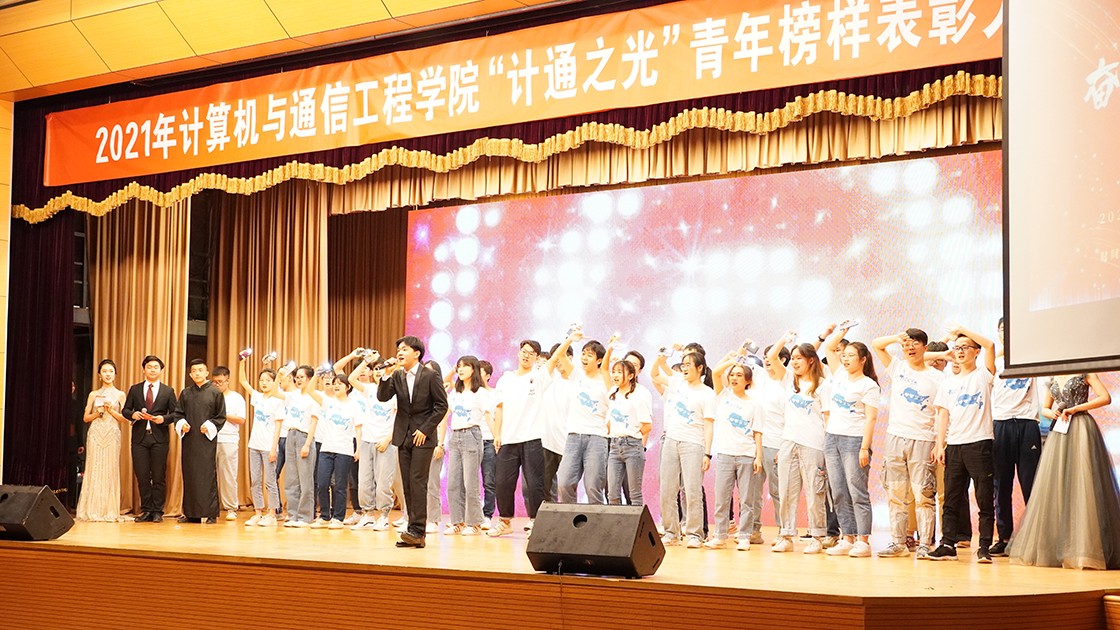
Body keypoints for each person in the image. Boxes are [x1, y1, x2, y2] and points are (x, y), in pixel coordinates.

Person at [1009, 373, 1120, 569]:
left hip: (1080, 426)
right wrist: (1050, 413)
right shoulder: (1052, 378)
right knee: (1057, 483)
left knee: (1083, 479)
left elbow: (1105, 397)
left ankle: (1085, 549)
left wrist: (1077, 408)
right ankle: (1056, 547)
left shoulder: (1085, 373)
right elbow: (1045, 407)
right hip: (1059, 429)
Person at [871, 329, 944, 559]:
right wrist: (896, 338)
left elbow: (942, 412)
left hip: (923, 440)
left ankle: (925, 544)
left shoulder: (938, 378)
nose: (910, 348)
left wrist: (938, 443)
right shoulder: (898, 367)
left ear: (925, 347)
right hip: (894, 438)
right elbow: (876, 344)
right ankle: (898, 542)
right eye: (907, 345)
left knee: (923, 495)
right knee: (895, 493)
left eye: (915, 344)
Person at [928, 326, 997, 562]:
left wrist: (962, 330)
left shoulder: (983, 375)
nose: (959, 351)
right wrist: (940, 445)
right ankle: (948, 544)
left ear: (976, 352)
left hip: (979, 443)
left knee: (984, 498)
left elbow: (990, 345)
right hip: (955, 445)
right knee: (951, 498)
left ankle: (984, 546)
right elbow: (943, 415)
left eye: (965, 347)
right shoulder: (947, 383)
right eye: (956, 348)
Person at [377, 336, 449, 548]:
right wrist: (385, 375)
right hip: (403, 436)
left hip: (422, 437)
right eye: (398, 349)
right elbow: (383, 397)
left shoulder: (430, 375)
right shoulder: (397, 375)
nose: (399, 352)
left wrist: (425, 429)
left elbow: (441, 406)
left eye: (404, 349)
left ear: (416, 353)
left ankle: (418, 531)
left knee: (417, 481)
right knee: (407, 483)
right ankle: (412, 529)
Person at [766, 333, 830, 554]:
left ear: (811, 360)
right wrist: (784, 339)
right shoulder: (789, 380)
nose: (794, 362)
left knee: (814, 493)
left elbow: (828, 418)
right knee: (786, 491)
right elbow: (772, 356)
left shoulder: (823, 385)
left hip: (813, 444)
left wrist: (828, 448)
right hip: (788, 442)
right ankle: (786, 535)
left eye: (798, 358)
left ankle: (817, 537)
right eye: (792, 358)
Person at [821, 328, 880, 558]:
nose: (845, 359)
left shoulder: (869, 385)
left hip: (854, 441)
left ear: (863, 359)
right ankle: (847, 537)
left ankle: (863, 541)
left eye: (851, 355)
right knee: (838, 491)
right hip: (832, 438)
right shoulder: (838, 375)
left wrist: (865, 447)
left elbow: (871, 418)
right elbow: (829, 347)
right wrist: (842, 331)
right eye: (843, 355)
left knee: (857, 491)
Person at [651, 349, 716, 549]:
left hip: (693, 444)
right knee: (667, 489)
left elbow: (709, 425)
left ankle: (695, 534)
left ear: (700, 368)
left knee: (692, 490)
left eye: (689, 365)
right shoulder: (677, 382)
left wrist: (707, 453)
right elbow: (654, 375)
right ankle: (671, 532)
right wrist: (661, 358)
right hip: (671, 441)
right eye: (684, 364)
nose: (685, 368)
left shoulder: (707, 393)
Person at [989, 318, 1041, 556]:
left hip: (1027, 423)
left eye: (1010, 330)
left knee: (1031, 482)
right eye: (1002, 330)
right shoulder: (994, 362)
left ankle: (1037, 536)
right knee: (1001, 484)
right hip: (1000, 424)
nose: (1005, 334)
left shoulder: (1033, 357)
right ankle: (1004, 537)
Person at [489, 340, 549, 537]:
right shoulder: (506, 379)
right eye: (524, 351)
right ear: (518, 353)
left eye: (531, 353)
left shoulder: (539, 376)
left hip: (532, 438)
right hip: (508, 438)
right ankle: (505, 521)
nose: (526, 355)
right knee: (502, 482)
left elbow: (555, 359)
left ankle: (535, 521)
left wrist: (570, 339)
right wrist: (497, 434)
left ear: (536, 358)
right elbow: (499, 407)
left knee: (534, 483)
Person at [705, 353, 763, 551]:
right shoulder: (723, 396)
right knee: (722, 497)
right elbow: (716, 372)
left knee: (746, 499)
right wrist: (733, 361)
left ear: (747, 381)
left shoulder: (754, 403)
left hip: (747, 454)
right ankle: (720, 536)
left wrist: (758, 457)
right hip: (725, 454)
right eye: (732, 375)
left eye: (739, 375)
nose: (734, 378)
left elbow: (757, 432)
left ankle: (745, 535)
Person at [554, 330, 611, 506]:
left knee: (593, 486)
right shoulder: (577, 375)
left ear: (599, 360)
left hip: (597, 437)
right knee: (564, 482)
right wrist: (570, 339)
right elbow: (560, 355)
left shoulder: (606, 381)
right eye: (583, 353)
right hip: (573, 436)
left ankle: (597, 522)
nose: (584, 358)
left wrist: (611, 350)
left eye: (590, 355)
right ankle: (571, 519)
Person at [122, 355, 180, 523]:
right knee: (142, 476)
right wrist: (132, 414)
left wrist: (164, 419)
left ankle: (157, 511)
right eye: (149, 367)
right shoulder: (135, 389)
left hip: (159, 439)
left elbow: (176, 413)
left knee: (159, 476)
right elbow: (126, 410)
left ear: (161, 370)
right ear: (144, 370)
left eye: (156, 367)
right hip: (139, 439)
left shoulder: (168, 391)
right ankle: (146, 510)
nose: (152, 370)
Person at [442, 356, 495, 535]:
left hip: (472, 435)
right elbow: (444, 415)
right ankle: (458, 522)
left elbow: (488, 416)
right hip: (455, 436)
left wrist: (497, 437)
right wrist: (440, 441)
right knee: (453, 483)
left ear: (474, 369)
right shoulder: (455, 393)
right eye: (459, 366)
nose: (461, 369)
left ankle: (475, 523)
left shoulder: (480, 393)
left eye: (465, 366)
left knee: (470, 483)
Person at [349, 357, 398, 532]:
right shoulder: (369, 389)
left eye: (381, 369)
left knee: (383, 482)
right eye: (376, 369)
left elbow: (399, 419)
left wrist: (388, 439)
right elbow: (351, 379)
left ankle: (384, 516)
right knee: (364, 481)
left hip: (385, 442)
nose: (378, 372)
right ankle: (368, 515)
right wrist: (365, 361)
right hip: (367, 440)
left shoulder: (395, 392)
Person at [175, 359, 227, 524]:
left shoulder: (215, 392)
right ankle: (191, 513)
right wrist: (182, 424)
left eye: (200, 370)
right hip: (189, 440)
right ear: (190, 374)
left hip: (206, 441)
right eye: (194, 371)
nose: (197, 373)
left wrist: (210, 425)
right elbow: (178, 414)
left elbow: (221, 416)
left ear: (206, 373)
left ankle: (210, 513)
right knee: (190, 474)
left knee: (207, 474)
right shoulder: (185, 393)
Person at [76, 359, 128, 522]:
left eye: (111, 371)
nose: (108, 374)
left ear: (115, 374)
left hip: (112, 433)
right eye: (104, 371)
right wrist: (98, 413)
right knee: (94, 468)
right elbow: (85, 418)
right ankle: (92, 509)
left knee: (110, 469)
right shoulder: (93, 394)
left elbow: (125, 419)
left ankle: (108, 509)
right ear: (99, 375)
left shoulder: (120, 395)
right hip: (96, 434)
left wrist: (111, 411)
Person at [747, 344, 789, 545]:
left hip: (776, 443)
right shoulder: (760, 377)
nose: (766, 360)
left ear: (783, 360)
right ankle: (753, 530)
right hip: (755, 443)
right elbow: (738, 363)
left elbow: (790, 419)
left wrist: (784, 447)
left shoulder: (787, 385)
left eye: (771, 357)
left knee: (778, 491)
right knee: (753, 491)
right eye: (765, 356)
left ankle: (784, 531)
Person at [237, 362, 284, 527]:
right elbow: (243, 381)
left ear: (274, 382)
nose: (264, 383)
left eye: (268, 380)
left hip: (268, 446)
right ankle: (258, 512)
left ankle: (272, 514)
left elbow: (278, 426)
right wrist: (242, 361)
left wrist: (273, 448)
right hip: (254, 445)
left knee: (270, 481)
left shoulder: (278, 401)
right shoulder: (257, 397)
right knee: (255, 480)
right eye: (262, 380)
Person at [311, 372, 360, 529]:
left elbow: (358, 428)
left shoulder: (354, 405)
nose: (336, 385)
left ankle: (338, 518)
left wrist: (358, 449)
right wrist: (316, 375)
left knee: (340, 485)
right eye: (335, 383)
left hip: (344, 450)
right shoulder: (328, 402)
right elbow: (310, 390)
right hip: (326, 448)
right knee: (322, 483)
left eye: (340, 383)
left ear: (348, 387)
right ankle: (325, 516)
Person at [602, 356, 651, 506]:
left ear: (631, 376)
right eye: (614, 371)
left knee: (634, 493)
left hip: (632, 446)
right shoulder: (613, 392)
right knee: (612, 494)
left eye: (620, 372)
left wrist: (632, 436)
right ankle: (615, 522)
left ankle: (637, 521)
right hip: (614, 446)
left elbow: (647, 425)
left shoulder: (639, 395)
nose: (615, 375)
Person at [282, 365, 324, 528]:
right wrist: (280, 375)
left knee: (305, 479)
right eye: (297, 377)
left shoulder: (314, 397)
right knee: (291, 479)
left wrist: (307, 444)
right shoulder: (293, 395)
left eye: (301, 377)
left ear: (310, 379)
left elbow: (314, 422)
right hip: (290, 435)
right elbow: (275, 393)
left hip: (304, 436)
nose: (298, 380)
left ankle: (305, 516)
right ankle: (292, 515)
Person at [539, 342, 573, 505]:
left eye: (561, 357)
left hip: (569, 443)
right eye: (555, 358)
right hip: (547, 442)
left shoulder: (578, 381)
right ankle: (548, 517)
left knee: (566, 486)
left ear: (570, 358)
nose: (558, 361)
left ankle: (571, 517)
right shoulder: (549, 379)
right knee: (545, 486)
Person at [211, 366, 245, 521]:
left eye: (220, 381)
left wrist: (222, 414)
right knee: (208, 475)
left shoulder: (236, 398)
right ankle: (209, 508)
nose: (217, 385)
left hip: (228, 439)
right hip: (210, 438)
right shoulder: (210, 396)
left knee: (228, 475)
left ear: (227, 380)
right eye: (214, 382)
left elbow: (241, 420)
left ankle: (231, 508)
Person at [477, 360, 499, 527]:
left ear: (488, 376)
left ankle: (487, 515)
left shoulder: (495, 394)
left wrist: (498, 436)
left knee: (489, 480)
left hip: (489, 440)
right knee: (468, 480)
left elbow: (499, 417)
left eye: (480, 372)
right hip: (472, 439)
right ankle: (471, 515)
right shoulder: (471, 392)